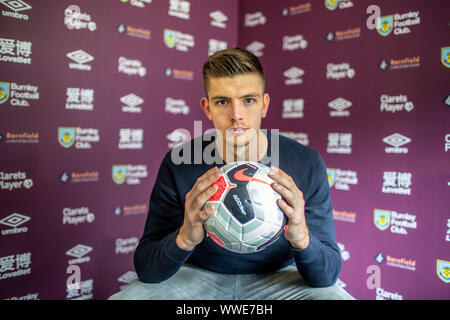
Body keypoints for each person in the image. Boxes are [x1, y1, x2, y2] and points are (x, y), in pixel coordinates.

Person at [109, 47, 354, 300]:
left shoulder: (306, 163)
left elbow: (327, 276)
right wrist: (183, 238)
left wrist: (303, 239)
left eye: (248, 100)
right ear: (207, 108)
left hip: (280, 278)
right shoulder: (178, 163)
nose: (236, 115)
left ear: (264, 104)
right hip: (197, 275)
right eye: (223, 101)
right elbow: (147, 269)